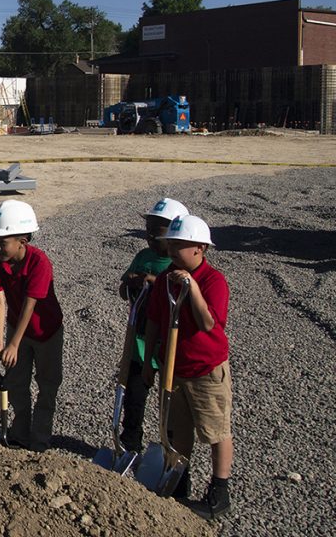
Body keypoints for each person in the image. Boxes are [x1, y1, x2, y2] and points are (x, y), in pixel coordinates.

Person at [142, 215, 233, 520]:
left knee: (215, 429)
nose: (171, 251)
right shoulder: (167, 277)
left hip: (206, 370)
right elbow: (154, 318)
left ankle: (219, 494)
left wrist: (192, 288)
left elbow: (209, 323)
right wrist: (149, 362)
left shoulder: (213, 281)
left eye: (179, 246)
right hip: (174, 369)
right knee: (178, 433)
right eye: (170, 245)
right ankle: (180, 484)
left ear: (200, 249)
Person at [0, 199, 63, 453]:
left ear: (23, 242)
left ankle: (39, 441)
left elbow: (31, 305)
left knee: (47, 385)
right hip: (18, 328)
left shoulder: (40, 263)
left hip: (46, 331)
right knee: (17, 383)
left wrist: (13, 344)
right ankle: (19, 435)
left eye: (2, 242)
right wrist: (0, 341)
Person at [117, 197, 190, 453]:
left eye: (155, 232)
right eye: (147, 230)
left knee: (168, 401)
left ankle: (168, 448)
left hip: (168, 343)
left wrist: (152, 280)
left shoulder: (181, 264)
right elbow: (123, 291)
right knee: (134, 398)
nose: (148, 236)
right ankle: (130, 443)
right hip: (139, 340)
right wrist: (128, 283)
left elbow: (182, 293)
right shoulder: (143, 256)